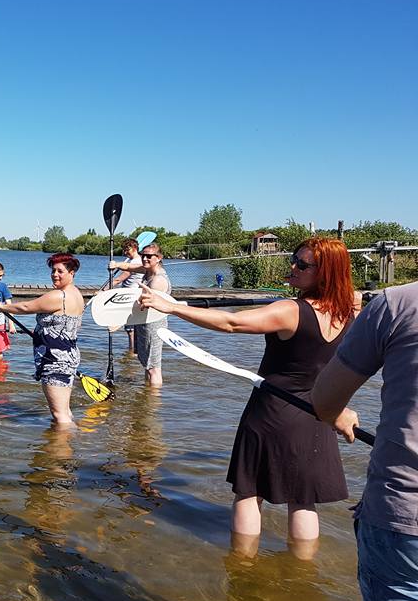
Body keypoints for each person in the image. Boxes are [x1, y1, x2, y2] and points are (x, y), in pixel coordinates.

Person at [139, 237, 358, 556]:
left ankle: (242, 567)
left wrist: (171, 307)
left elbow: (232, 322)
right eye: (294, 260)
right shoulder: (348, 312)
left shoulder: (290, 310)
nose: (292, 267)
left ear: (325, 272)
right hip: (320, 412)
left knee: (248, 491)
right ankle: (302, 571)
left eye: (302, 264)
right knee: (303, 498)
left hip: (272, 412)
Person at [311, 280, 418, 601]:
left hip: (403, 519)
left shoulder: (397, 303)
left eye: (303, 264)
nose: (294, 268)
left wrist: (338, 413)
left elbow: (324, 400)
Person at [0, 253, 85, 428]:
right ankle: (69, 445)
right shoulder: (77, 294)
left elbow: (26, 307)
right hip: (68, 356)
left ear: (72, 272)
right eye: (53, 270)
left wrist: (2, 307)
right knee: (64, 412)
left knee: (60, 416)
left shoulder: (59, 296)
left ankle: (62, 452)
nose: (55, 274)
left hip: (55, 360)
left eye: (60, 271)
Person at [127, 243, 171, 386]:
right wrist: (116, 265)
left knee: (153, 368)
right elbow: (130, 267)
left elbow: (147, 305)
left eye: (149, 256)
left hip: (154, 327)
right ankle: (145, 399)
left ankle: (153, 401)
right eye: (143, 255)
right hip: (143, 323)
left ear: (158, 258)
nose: (145, 258)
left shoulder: (158, 279)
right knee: (147, 365)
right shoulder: (147, 271)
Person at [110, 237, 142, 354]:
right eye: (124, 250)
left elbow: (118, 279)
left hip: (130, 297)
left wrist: (103, 290)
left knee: (130, 328)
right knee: (133, 327)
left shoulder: (134, 263)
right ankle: (133, 352)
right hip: (132, 295)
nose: (124, 252)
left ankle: (131, 352)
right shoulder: (136, 260)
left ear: (134, 248)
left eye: (126, 249)